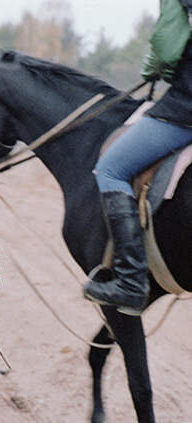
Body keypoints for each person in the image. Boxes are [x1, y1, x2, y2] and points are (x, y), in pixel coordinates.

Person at [83, 0, 192, 315]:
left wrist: (152, 69)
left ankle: (130, 281)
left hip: (184, 109)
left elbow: (167, 48)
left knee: (111, 170)